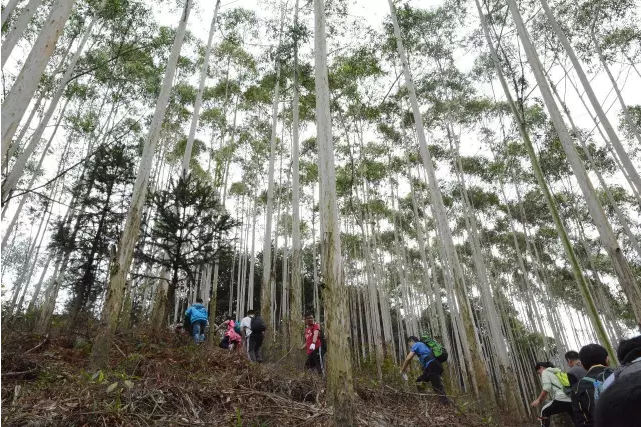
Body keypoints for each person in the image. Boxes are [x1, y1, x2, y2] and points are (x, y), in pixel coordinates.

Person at [573, 344, 613, 427]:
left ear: (582, 365)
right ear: (607, 359)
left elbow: (581, 421)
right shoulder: (622, 374)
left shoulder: (577, 387)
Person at [401, 336, 448, 404]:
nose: (410, 346)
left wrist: (402, 370)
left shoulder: (417, 344)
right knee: (419, 381)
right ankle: (424, 400)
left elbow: (408, 358)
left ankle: (445, 405)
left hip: (432, 365)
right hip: (431, 366)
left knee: (437, 386)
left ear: (411, 341)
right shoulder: (423, 345)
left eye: (409, 344)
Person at [531, 361, 575, 427]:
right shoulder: (557, 371)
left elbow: (547, 388)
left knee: (544, 411)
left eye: (538, 373)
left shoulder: (545, 372)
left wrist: (538, 400)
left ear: (541, 367)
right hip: (571, 399)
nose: (540, 375)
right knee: (576, 419)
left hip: (561, 398)